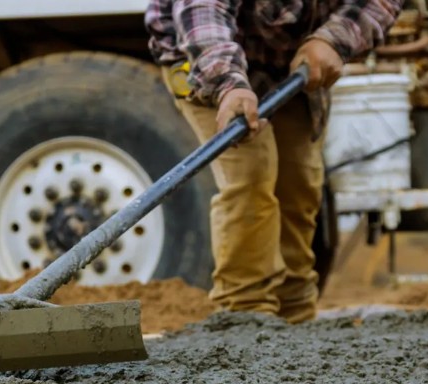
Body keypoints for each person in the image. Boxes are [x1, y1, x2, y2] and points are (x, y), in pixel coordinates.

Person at [146, 0, 404, 324]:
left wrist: (335, 38)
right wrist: (228, 84)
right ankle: (245, 318)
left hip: (293, 61)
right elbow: (204, 13)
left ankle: (294, 321)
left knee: (299, 185)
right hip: (205, 56)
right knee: (251, 175)